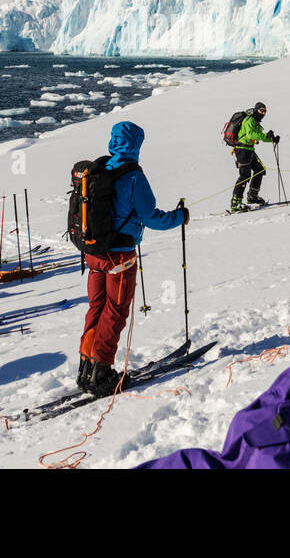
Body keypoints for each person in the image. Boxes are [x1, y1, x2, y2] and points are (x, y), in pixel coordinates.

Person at [78, 121, 188, 397]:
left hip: (93, 255)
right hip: (120, 258)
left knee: (96, 307)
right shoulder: (134, 176)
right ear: (137, 144)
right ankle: (101, 371)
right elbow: (152, 218)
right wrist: (180, 217)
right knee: (114, 312)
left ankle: (86, 366)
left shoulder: (99, 169)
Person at [230, 102, 280, 211]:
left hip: (249, 150)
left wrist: (271, 138)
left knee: (260, 169)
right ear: (256, 110)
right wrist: (265, 135)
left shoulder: (255, 121)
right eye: (261, 110)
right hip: (242, 150)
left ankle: (252, 196)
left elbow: (258, 137)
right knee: (245, 175)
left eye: (265, 111)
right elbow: (250, 134)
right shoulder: (249, 120)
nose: (263, 113)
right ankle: (235, 202)